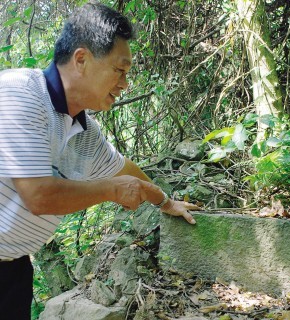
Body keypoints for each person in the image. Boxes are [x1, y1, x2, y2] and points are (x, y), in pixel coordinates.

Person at [0, 2, 200, 319]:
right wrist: (110, 190)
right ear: (81, 59)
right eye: (119, 70)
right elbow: (38, 196)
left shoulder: (83, 129)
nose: (124, 84)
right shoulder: (20, 94)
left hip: (13, 270)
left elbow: (125, 170)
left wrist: (165, 202)